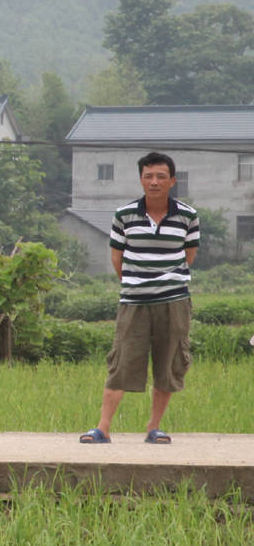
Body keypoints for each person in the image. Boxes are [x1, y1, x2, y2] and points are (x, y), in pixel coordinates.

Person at [80, 151, 201, 445]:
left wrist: (164, 280)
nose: (154, 182)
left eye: (161, 176)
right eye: (148, 176)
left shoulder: (188, 216)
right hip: (134, 302)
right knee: (121, 361)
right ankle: (103, 428)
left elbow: (188, 256)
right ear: (141, 180)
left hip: (174, 301)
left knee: (169, 361)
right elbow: (116, 259)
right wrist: (138, 283)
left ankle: (153, 428)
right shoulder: (124, 215)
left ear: (172, 180)